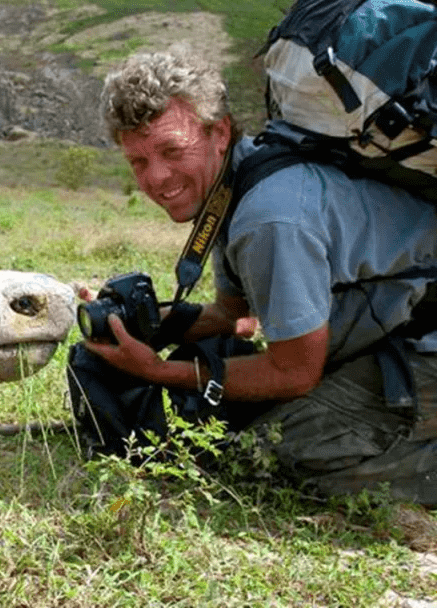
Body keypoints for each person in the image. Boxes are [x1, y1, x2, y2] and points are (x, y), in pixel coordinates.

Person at [78, 45, 437, 505]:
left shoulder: (268, 219)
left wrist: (161, 371)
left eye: (171, 150)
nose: (157, 178)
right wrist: (139, 322)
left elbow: (295, 373)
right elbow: (236, 316)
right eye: (139, 161)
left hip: (423, 339)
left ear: (219, 132)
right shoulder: (239, 183)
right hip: (397, 332)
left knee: (270, 459)